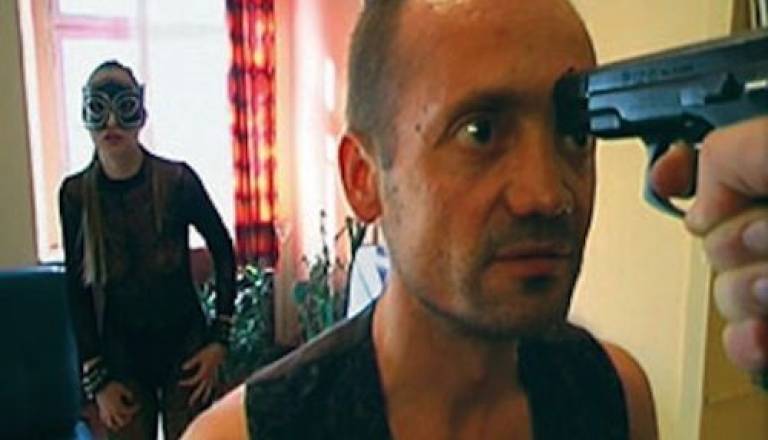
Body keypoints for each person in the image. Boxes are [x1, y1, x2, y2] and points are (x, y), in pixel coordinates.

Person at [183, 1, 768, 439]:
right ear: (364, 179)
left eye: (573, 133)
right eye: (480, 132)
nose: (547, 195)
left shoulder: (615, 395)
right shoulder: (245, 436)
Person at [59, 60, 236, 440]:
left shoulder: (177, 181)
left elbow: (223, 250)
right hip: (121, 357)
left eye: (123, 106)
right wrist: (97, 380)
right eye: (98, 108)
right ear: (86, 117)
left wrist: (219, 340)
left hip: (185, 349)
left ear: (140, 114)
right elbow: (77, 288)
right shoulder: (76, 195)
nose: (111, 123)